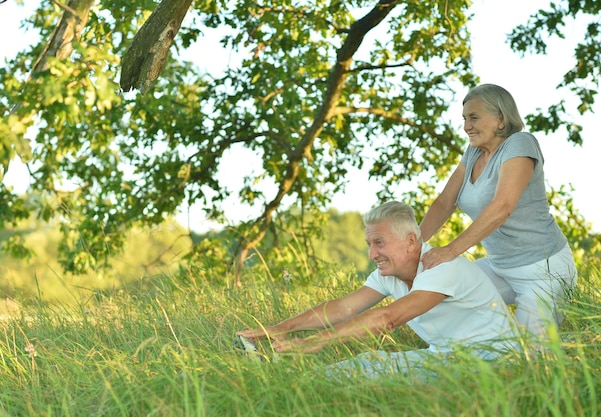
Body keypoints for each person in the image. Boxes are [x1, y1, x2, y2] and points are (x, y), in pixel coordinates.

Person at [237, 201, 520, 379]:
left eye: (379, 243)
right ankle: (287, 384)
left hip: (493, 360)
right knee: (360, 367)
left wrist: (315, 342)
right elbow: (344, 308)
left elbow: (388, 319)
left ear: (411, 241)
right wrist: (280, 327)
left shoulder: (442, 268)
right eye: (369, 244)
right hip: (447, 357)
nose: (372, 253)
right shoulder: (390, 273)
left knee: (366, 373)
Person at [419, 84, 578, 340]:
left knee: (530, 357)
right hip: (499, 267)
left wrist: (450, 250)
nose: (466, 126)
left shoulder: (520, 143)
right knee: (438, 291)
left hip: (543, 270)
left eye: (474, 117)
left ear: (501, 118)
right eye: (464, 118)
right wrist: (413, 246)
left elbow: (502, 207)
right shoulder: (472, 153)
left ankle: (579, 345)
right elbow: (444, 203)